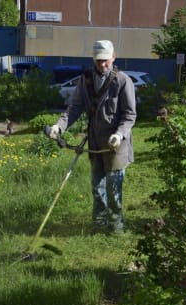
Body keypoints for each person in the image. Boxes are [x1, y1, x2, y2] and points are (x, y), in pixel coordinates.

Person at [48, 39, 137, 234]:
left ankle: (116, 227)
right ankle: (98, 225)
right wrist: (59, 126)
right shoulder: (85, 80)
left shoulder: (123, 81)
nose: (102, 64)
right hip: (96, 143)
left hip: (116, 145)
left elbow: (130, 115)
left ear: (113, 57)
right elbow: (74, 109)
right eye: (98, 61)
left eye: (106, 60)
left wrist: (120, 135)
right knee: (97, 188)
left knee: (114, 191)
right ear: (93, 59)